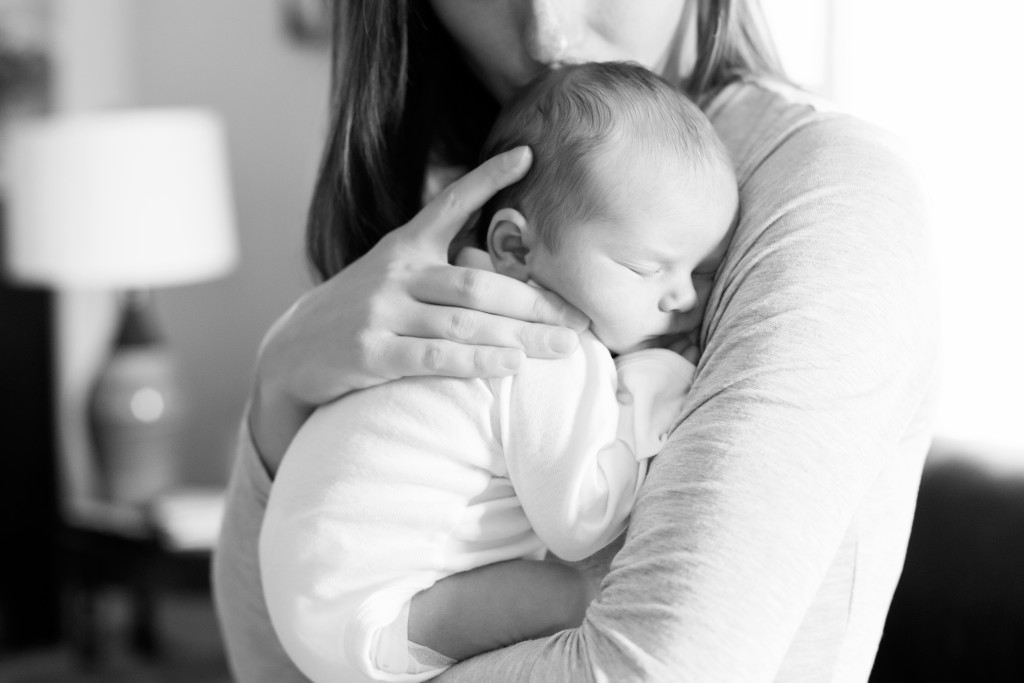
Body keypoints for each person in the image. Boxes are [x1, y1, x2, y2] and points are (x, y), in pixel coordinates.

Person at [213, 1, 939, 682]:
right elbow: (271, 663)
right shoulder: (452, 201)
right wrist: (279, 386)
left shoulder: (828, 192)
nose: (546, 30)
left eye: (703, 271)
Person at [258, 61, 738, 683]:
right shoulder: (542, 348)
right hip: (375, 619)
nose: (685, 300)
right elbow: (582, 520)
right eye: (649, 269)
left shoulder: (442, 300)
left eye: (701, 271)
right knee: (578, 591)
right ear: (515, 248)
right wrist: (661, 392)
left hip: (308, 591)